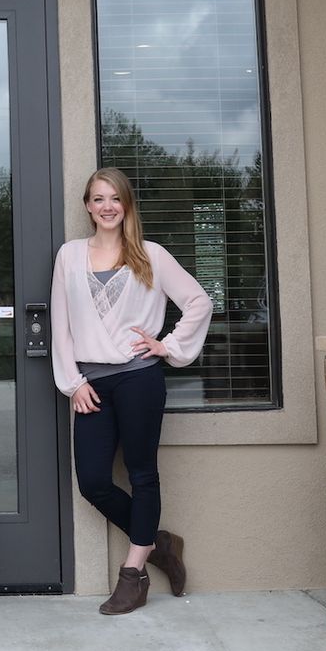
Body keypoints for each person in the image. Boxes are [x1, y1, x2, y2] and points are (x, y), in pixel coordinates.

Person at [50, 167, 212, 615]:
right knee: (95, 482)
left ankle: (134, 572)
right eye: (98, 199)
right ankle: (157, 543)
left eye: (115, 199)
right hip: (92, 384)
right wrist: (73, 383)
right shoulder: (69, 256)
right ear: (87, 205)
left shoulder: (151, 255)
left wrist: (169, 346)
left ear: (126, 205)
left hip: (140, 377)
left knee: (142, 475)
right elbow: (60, 325)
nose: (107, 207)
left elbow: (199, 302)